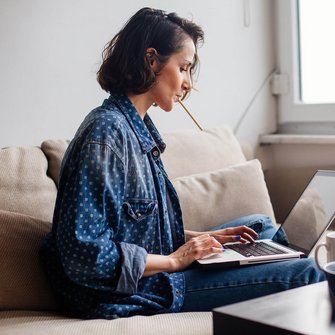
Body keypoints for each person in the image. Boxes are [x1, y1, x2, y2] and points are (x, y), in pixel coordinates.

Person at [39, 7, 324, 319]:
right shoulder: (106, 135)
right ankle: (287, 270)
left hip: (154, 270)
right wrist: (176, 260)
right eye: (184, 68)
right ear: (152, 61)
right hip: (130, 289)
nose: (189, 83)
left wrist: (201, 239)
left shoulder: (138, 129)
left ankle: (269, 259)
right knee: (305, 274)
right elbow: (86, 255)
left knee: (261, 226)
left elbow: (139, 230)